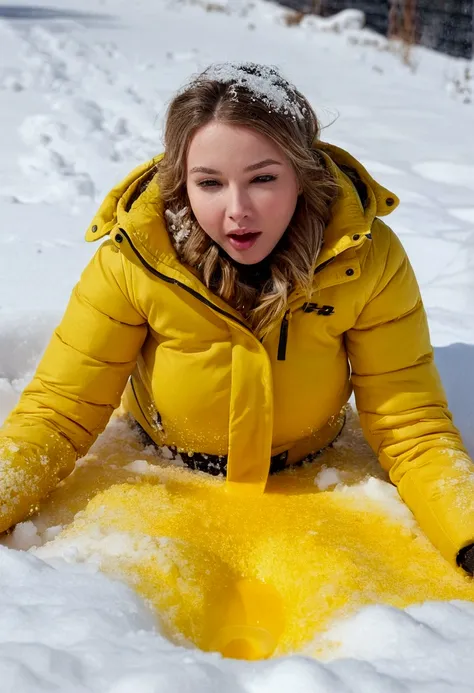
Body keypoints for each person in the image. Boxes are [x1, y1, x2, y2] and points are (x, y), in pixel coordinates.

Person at [1, 62, 474, 574]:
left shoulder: (366, 259)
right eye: (210, 183)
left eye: (263, 179)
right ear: (182, 183)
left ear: (302, 174)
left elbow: (412, 425)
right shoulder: (134, 257)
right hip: (156, 490)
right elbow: (59, 411)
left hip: (317, 496)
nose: (237, 210)